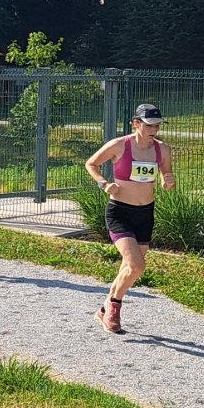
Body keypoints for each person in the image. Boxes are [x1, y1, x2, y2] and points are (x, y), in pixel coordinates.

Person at [82, 103, 175, 334]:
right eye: (149, 125)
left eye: (158, 125)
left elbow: (166, 174)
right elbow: (91, 164)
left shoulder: (163, 149)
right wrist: (104, 183)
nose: (155, 129)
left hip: (145, 214)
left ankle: (104, 310)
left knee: (129, 267)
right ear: (136, 124)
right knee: (137, 266)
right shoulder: (119, 145)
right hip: (120, 212)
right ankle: (114, 306)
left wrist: (167, 181)